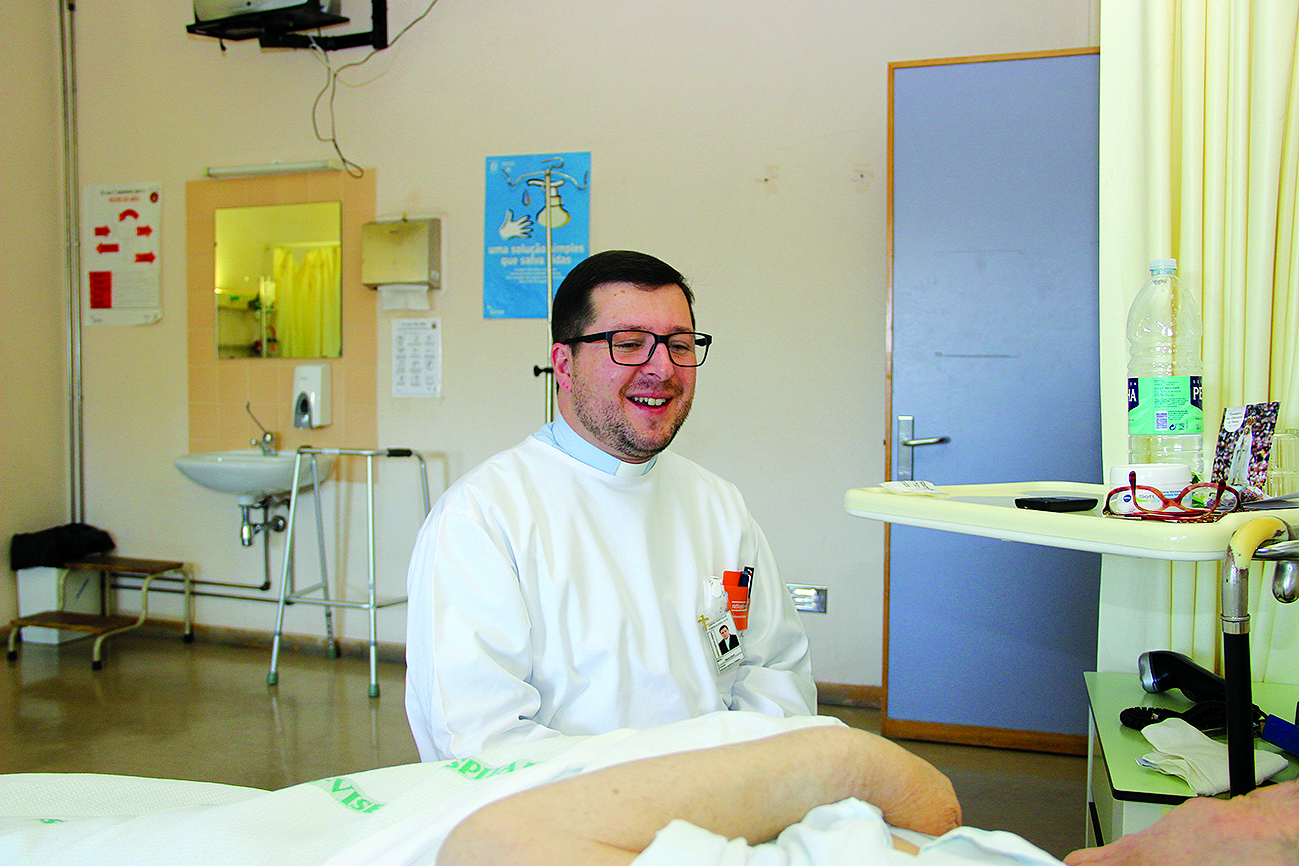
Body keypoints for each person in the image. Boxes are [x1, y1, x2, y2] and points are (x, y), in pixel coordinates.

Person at [405, 250, 816, 761]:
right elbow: (481, 738)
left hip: (723, 806)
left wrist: (741, 784)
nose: (662, 368)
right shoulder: (484, 518)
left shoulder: (718, 506)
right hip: (564, 823)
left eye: (680, 344)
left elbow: (773, 672)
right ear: (563, 365)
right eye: (630, 344)